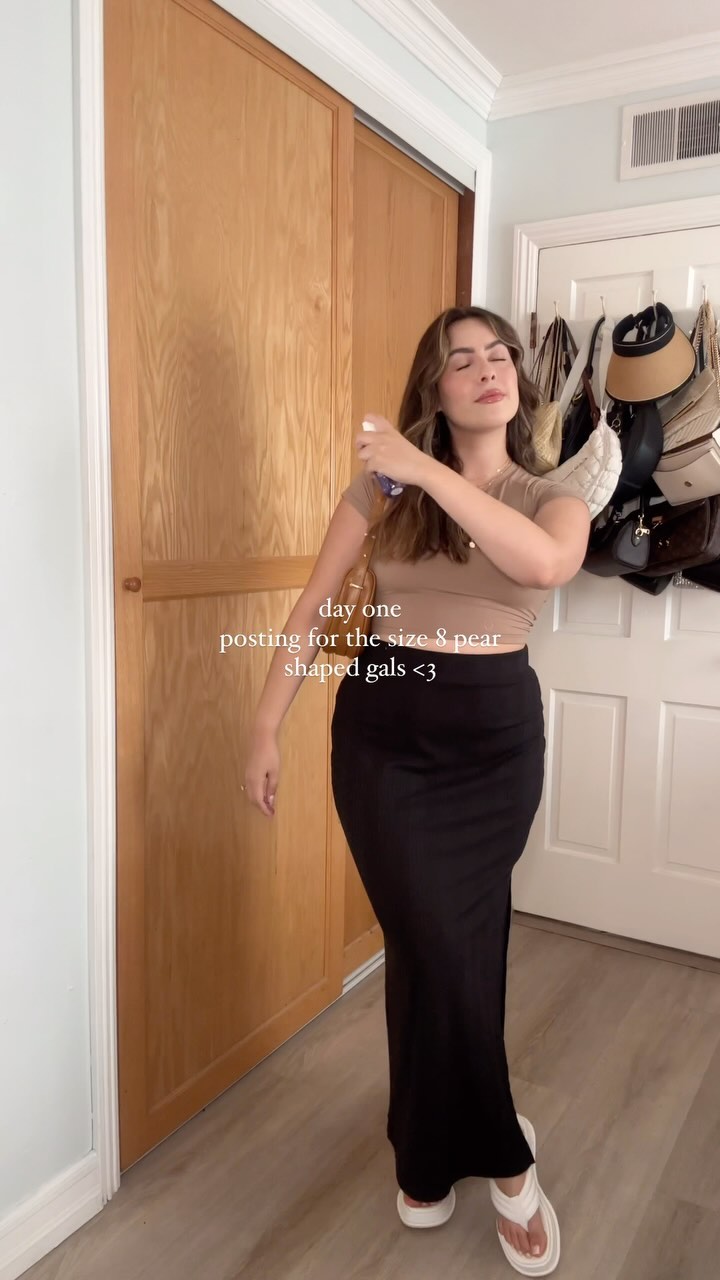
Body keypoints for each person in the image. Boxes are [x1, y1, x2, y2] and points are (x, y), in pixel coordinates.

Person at [242, 306, 591, 1276]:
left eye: (499, 355)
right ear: (433, 388)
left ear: (517, 380)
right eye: (460, 360)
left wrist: (428, 468)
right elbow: (312, 609)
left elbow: (546, 564)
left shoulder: (552, 493)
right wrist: (264, 725)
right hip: (385, 735)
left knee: (454, 944)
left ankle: (430, 1149)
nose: (487, 369)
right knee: (433, 940)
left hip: (492, 745)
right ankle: (505, 1158)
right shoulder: (379, 490)